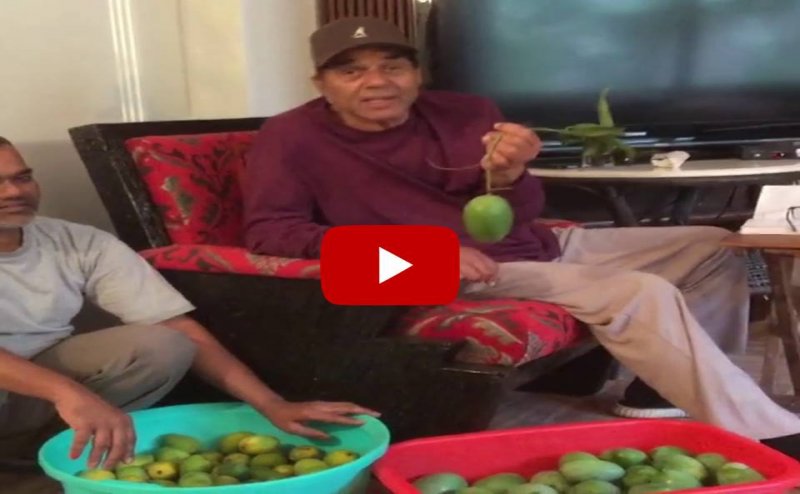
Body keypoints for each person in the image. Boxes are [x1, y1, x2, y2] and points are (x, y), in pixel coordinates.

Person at [240, 16, 800, 459]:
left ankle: (661, 392)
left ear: (416, 73)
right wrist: (423, 258)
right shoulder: (290, 137)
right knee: (638, 292)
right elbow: (271, 234)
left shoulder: (466, 113)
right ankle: (763, 433)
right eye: (352, 71)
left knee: (711, 245)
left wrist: (512, 178)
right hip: (441, 270)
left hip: (533, 245)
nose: (377, 82)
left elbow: (523, 214)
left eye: (393, 66)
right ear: (321, 84)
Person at [0, 136, 379, 470]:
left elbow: (176, 326)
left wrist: (270, 404)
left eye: (22, 177)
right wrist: (66, 392)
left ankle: (40, 451)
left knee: (164, 345)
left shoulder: (77, 241)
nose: (14, 192)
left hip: (33, 381)